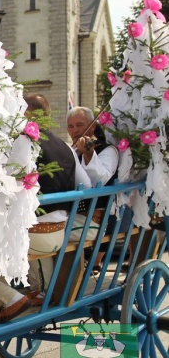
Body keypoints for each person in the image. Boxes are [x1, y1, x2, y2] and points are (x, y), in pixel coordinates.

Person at [0, 94, 91, 324]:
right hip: (59, 229)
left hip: (34, 233)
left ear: (25, 114)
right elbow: (86, 185)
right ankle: (10, 297)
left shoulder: (22, 144)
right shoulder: (66, 146)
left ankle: (9, 298)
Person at [67, 106, 119, 272]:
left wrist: (89, 154)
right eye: (71, 126)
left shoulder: (108, 150)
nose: (75, 130)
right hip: (73, 213)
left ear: (92, 126)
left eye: (80, 125)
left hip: (98, 217)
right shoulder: (70, 151)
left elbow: (99, 180)